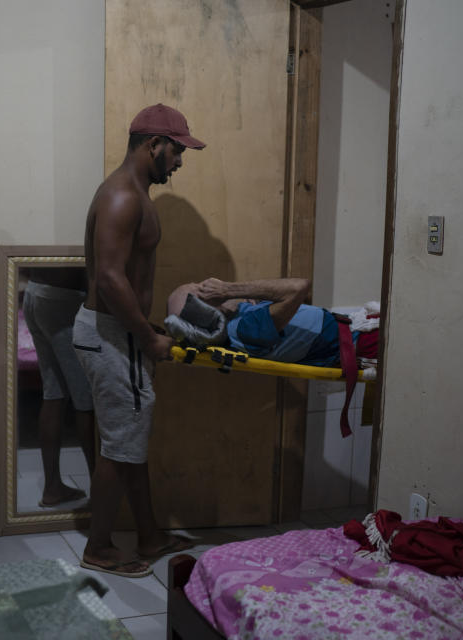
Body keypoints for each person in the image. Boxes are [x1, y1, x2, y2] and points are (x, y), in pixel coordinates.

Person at [71, 104, 206, 578]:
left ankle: (148, 534)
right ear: (153, 145)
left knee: (128, 438)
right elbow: (109, 278)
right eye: (177, 150)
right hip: (113, 334)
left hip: (120, 333)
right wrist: (147, 339)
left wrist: (146, 330)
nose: (180, 161)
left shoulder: (132, 193)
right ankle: (99, 548)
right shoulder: (122, 197)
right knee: (119, 444)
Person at [165, 277, 378, 367]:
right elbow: (299, 287)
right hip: (365, 340)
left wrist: (234, 297)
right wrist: (227, 289)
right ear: (204, 311)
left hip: (359, 328)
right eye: (201, 289)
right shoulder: (243, 329)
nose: (208, 283)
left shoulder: (238, 318)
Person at [21, 267, 96, 507]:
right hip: (64, 297)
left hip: (35, 292)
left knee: (54, 393)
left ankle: (53, 487)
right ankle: (102, 491)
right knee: (86, 400)